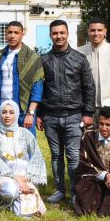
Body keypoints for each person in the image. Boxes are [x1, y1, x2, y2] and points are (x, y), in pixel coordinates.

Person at [36, 19, 95, 204]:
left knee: (74, 156)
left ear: (68, 34)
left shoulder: (79, 59)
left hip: (74, 115)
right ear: (50, 35)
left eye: (62, 33)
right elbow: (38, 88)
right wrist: (39, 114)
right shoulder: (43, 60)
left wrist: (88, 113)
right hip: (50, 115)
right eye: (55, 33)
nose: (59, 36)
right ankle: (59, 190)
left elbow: (89, 87)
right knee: (55, 155)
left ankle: (76, 192)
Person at [0, 101, 48, 217]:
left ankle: (15, 204)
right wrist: (18, 180)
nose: (7, 116)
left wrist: (28, 175)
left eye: (11, 112)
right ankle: (5, 201)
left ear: (17, 114)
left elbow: (37, 154)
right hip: (6, 177)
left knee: (28, 201)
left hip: (25, 176)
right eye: (4, 112)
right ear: (0, 114)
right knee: (10, 191)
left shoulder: (25, 133)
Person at [0, 21, 44, 136]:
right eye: (9, 32)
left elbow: (37, 88)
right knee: (4, 144)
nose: (12, 36)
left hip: (24, 111)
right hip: (4, 111)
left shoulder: (32, 58)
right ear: (5, 34)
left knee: (26, 144)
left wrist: (31, 113)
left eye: (16, 33)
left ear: (22, 34)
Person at [77, 18, 110, 115]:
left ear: (105, 31)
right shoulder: (79, 52)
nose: (96, 33)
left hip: (109, 105)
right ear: (88, 31)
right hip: (86, 107)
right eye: (93, 30)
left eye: (100, 30)